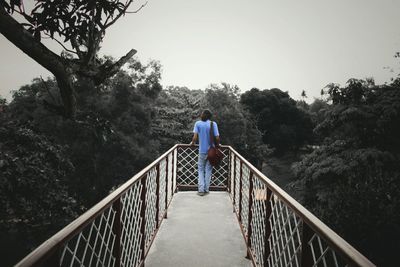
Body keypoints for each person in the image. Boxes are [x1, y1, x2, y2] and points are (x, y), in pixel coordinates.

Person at [190, 109, 220, 196]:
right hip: (211, 151)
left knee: (200, 170)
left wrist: (192, 144)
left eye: (202, 113)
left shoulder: (198, 123)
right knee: (208, 170)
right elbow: (217, 138)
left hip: (202, 151)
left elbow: (195, 138)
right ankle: (206, 189)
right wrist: (217, 145)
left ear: (203, 115)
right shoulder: (213, 124)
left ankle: (201, 190)